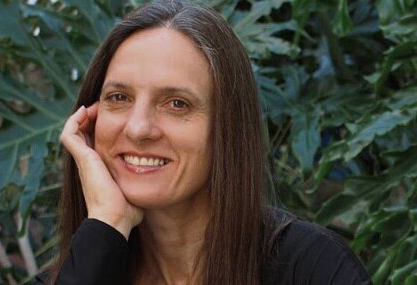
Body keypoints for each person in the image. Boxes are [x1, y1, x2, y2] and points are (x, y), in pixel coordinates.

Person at [36, 1, 373, 284]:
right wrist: (107, 225)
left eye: (177, 103)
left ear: (227, 127)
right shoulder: (75, 275)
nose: (138, 129)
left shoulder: (313, 269)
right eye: (119, 97)